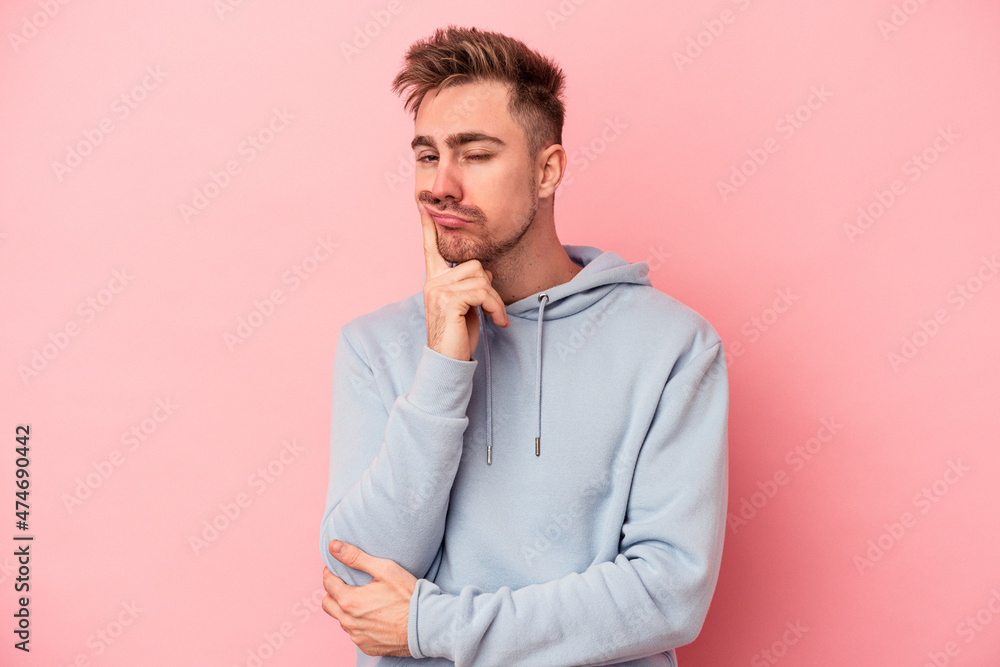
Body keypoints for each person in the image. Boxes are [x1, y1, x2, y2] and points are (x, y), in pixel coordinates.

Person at [319, 25, 729, 666]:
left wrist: (435, 625)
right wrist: (442, 369)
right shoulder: (374, 346)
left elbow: (668, 592)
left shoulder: (673, 346)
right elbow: (357, 582)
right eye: (427, 156)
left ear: (547, 170)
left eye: (475, 154)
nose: (441, 185)